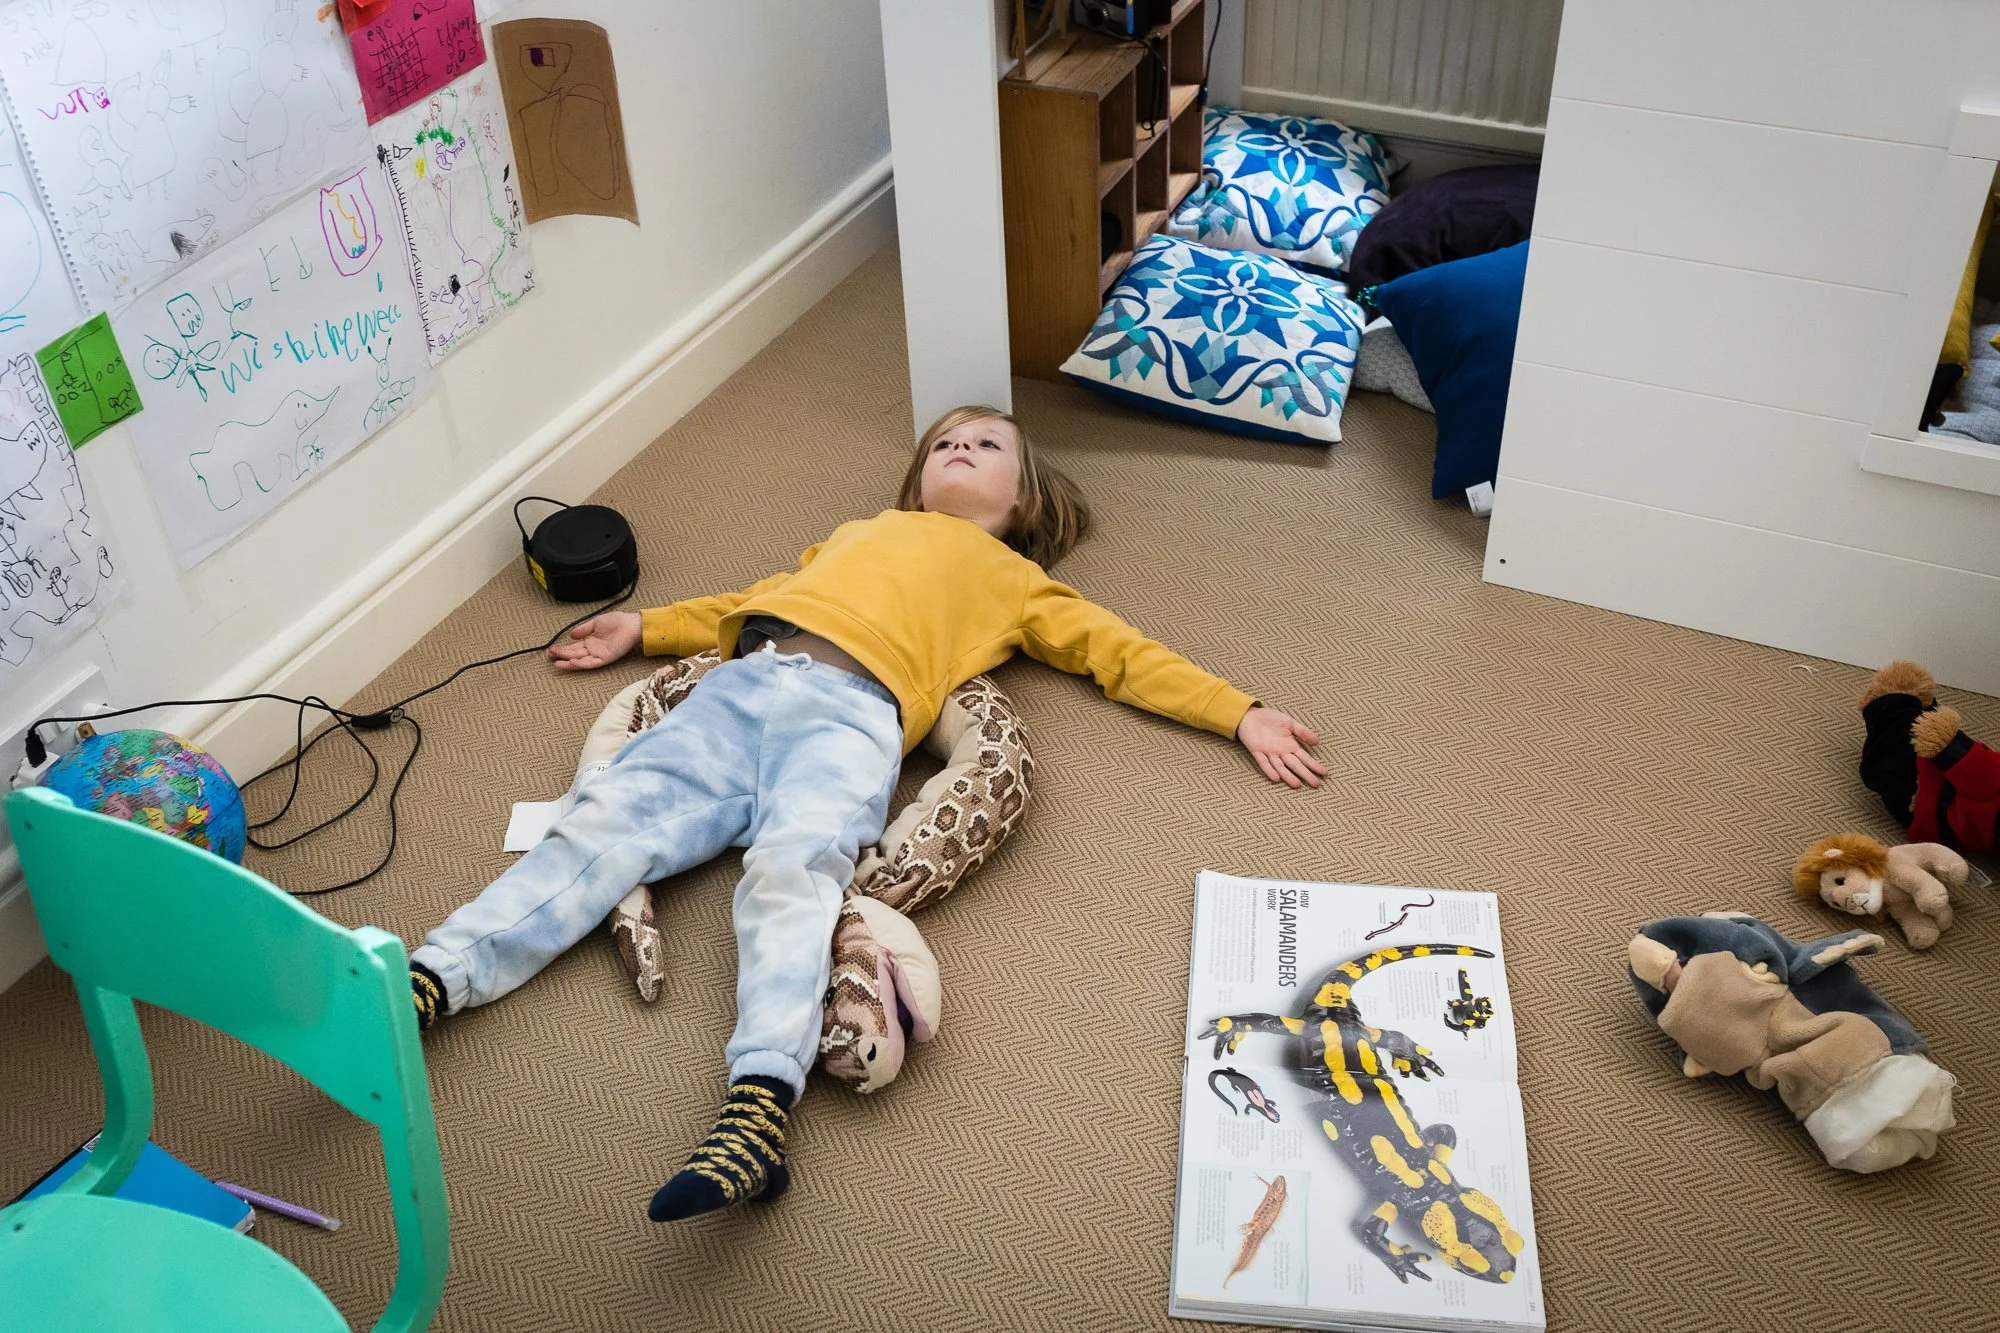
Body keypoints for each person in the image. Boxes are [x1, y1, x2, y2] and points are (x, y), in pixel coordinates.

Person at [407, 405, 1327, 1222]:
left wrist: (1238, 711)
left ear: (1027, 499)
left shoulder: (1013, 578)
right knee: (599, 828)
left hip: (852, 717)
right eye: (943, 443)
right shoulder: (860, 530)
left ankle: (760, 1101)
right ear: (917, 478)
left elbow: (1119, 654)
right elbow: (751, 601)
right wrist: (643, 626)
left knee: (791, 875)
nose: (959, 446)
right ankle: (431, 979)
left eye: (986, 442)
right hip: (738, 690)